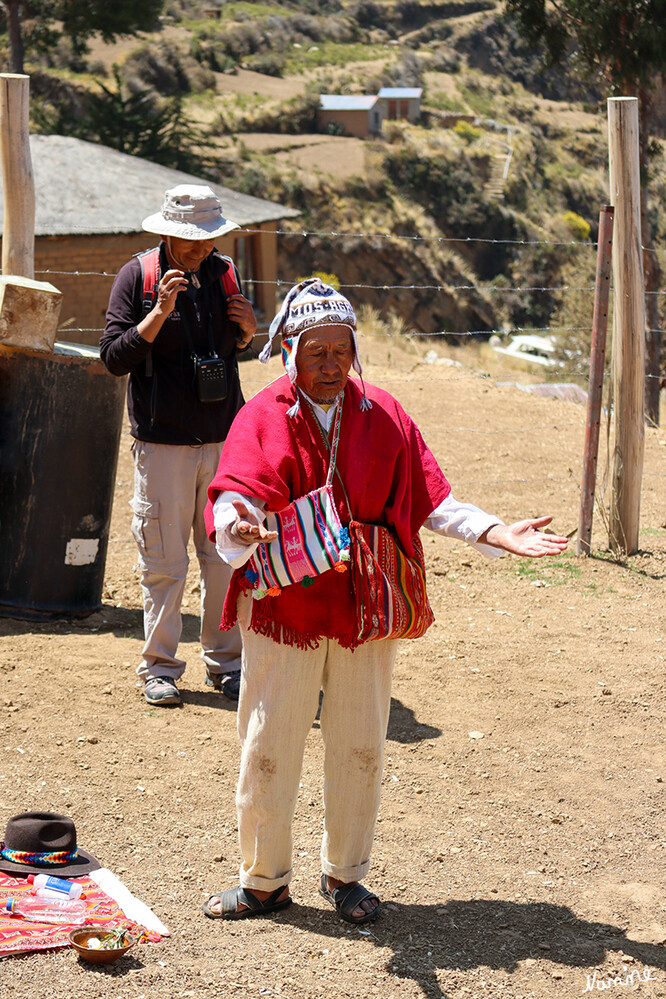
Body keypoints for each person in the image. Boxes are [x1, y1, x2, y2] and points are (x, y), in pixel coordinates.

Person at [201, 278, 568, 922]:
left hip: (365, 605)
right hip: (284, 607)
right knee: (267, 742)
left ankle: (345, 876)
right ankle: (263, 879)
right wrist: (238, 526)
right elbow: (236, 494)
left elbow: (430, 496)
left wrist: (494, 530)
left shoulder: (385, 416)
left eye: (341, 351)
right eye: (315, 352)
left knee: (360, 743)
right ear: (288, 350)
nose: (330, 366)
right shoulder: (259, 416)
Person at [100, 185, 257, 707]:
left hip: (223, 441)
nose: (199, 249)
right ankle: (160, 668)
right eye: (191, 239)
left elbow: (239, 350)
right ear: (166, 232)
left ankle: (227, 664)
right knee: (164, 561)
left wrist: (248, 334)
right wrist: (158, 313)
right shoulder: (138, 277)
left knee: (224, 555)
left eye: (208, 238)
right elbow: (113, 358)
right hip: (162, 443)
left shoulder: (225, 272)